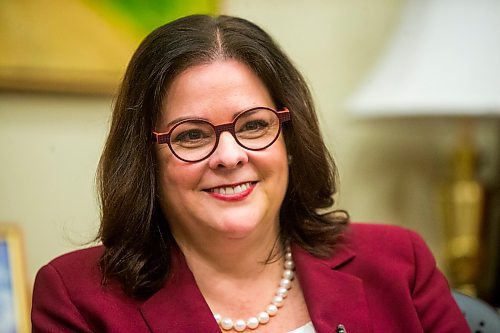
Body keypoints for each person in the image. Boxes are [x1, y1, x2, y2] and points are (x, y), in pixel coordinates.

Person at [31, 15, 469, 333]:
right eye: (192, 135)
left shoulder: (399, 263)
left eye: (254, 125)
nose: (229, 155)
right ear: (146, 158)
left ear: (289, 138)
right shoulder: (77, 298)